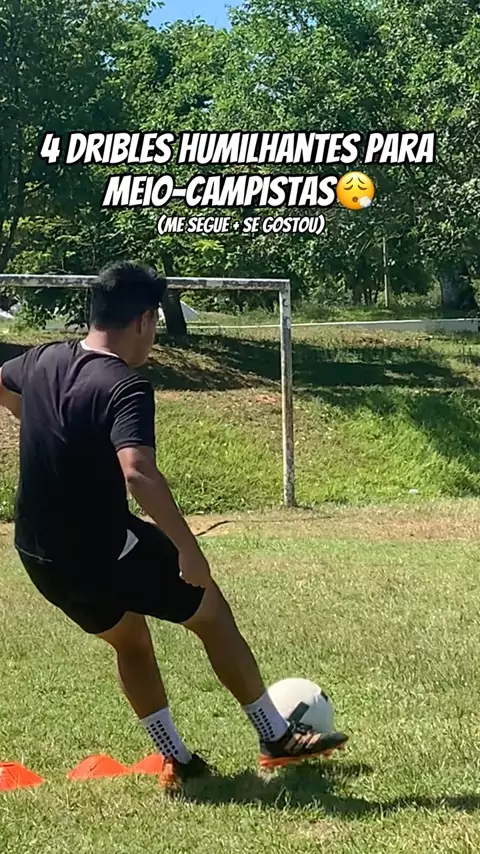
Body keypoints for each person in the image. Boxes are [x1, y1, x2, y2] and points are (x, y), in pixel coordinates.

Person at [0, 261, 347, 791]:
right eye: (156, 323)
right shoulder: (124, 384)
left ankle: (176, 758)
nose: (155, 335)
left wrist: (34, 420)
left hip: (38, 556)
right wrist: (189, 550)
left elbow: (3, 383)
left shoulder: (42, 359)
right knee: (211, 612)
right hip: (100, 550)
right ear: (142, 319)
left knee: (130, 639)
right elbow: (137, 471)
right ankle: (275, 736)